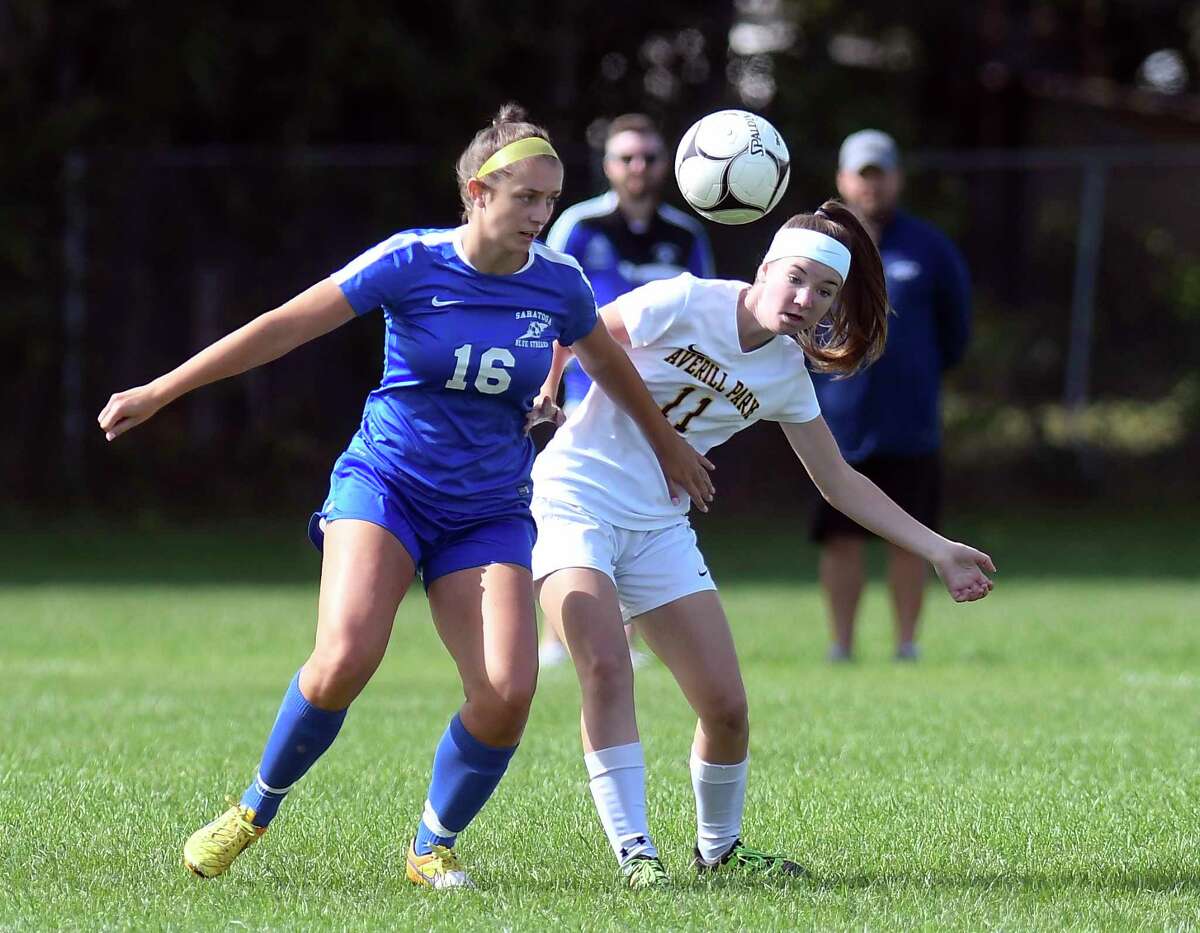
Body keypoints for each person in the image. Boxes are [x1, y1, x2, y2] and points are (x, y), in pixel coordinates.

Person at [96, 103, 715, 890]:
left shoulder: (559, 283)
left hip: (488, 508)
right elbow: (283, 326)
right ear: (477, 190)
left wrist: (666, 444)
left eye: (550, 201)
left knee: (507, 694)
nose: (540, 216)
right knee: (346, 657)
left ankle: (432, 845)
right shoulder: (412, 261)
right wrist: (161, 389)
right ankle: (254, 808)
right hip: (386, 485)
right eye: (526, 198)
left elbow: (610, 361)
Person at [528, 199, 995, 888]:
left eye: (827, 291)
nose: (808, 300)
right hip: (574, 498)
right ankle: (635, 853)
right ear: (766, 266)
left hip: (658, 525)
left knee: (726, 708)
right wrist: (545, 387)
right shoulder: (685, 300)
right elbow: (579, 329)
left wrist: (937, 548)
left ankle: (719, 851)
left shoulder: (783, 370)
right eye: (798, 279)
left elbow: (839, 481)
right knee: (605, 666)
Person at [538, 112, 716, 669]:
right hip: (584, 390)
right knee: (570, 501)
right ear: (608, 166)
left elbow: (706, 306)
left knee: (645, 506)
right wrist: (550, 385)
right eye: (626, 157)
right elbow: (551, 302)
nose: (638, 167)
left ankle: (631, 636)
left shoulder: (684, 234)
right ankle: (557, 635)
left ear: (667, 165)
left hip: (660, 396)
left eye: (648, 157)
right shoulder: (578, 225)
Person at [811, 130, 973, 663]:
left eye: (880, 173)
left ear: (896, 179)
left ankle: (906, 644)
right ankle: (841, 645)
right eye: (861, 173)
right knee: (842, 537)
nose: (870, 184)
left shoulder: (929, 247)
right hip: (837, 423)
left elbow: (955, 331)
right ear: (842, 179)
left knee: (911, 537)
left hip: (910, 422)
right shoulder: (821, 248)